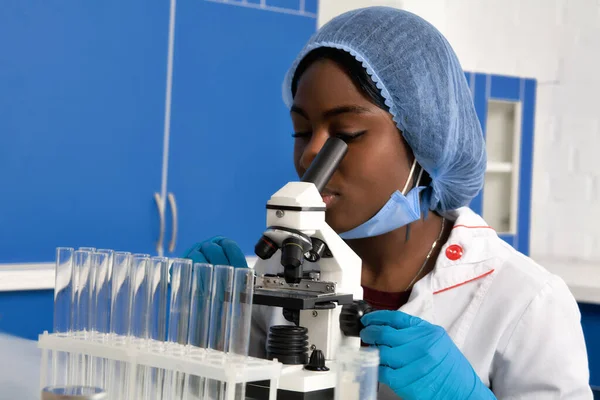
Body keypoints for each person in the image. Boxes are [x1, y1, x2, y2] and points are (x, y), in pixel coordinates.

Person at [183, 7, 593, 399]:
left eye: (347, 132)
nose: (311, 155)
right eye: (302, 131)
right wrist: (215, 330)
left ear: (423, 141)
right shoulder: (277, 277)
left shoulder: (526, 300)